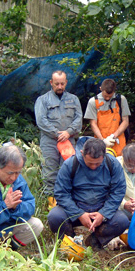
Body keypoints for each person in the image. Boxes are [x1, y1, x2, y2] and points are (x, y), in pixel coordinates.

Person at [48, 137, 129, 251]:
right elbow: (61, 193)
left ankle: (95, 240)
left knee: (122, 221)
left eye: (97, 164)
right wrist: (79, 213)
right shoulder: (70, 164)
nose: (93, 167)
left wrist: (103, 213)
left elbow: (118, 192)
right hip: (76, 205)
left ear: (104, 155)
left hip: (101, 206)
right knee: (54, 216)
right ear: (82, 153)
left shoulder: (113, 164)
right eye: (90, 163)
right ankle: (71, 240)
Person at [34, 70, 83, 205]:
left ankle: (68, 202)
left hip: (69, 140)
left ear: (66, 83)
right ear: (51, 83)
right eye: (57, 84)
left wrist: (68, 132)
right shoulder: (42, 100)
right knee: (50, 172)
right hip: (50, 142)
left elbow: (79, 119)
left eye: (62, 83)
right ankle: (52, 203)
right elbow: (41, 121)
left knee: (69, 170)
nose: (60, 86)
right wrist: (58, 134)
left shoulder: (74, 99)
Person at [84, 79, 130, 156]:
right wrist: (103, 140)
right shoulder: (93, 101)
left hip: (118, 139)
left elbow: (125, 121)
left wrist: (113, 136)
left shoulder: (121, 100)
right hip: (100, 140)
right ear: (100, 89)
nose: (108, 98)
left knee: (119, 162)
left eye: (110, 96)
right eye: (105, 96)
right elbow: (93, 124)